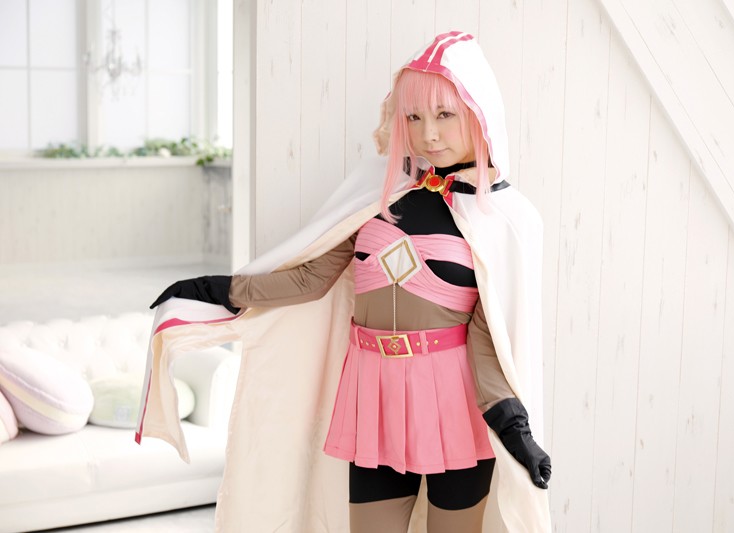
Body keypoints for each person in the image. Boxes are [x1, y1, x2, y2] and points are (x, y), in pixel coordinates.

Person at [139, 31, 552, 532]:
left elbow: (491, 340)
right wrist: (217, 290)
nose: (428, 134)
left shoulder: (504, 218)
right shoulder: (379, 192)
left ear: (479, 112)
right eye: (414, 117)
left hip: (454, 403)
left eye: (445, 114)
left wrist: (515, 428)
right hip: (372, 395)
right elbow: (311, 277)